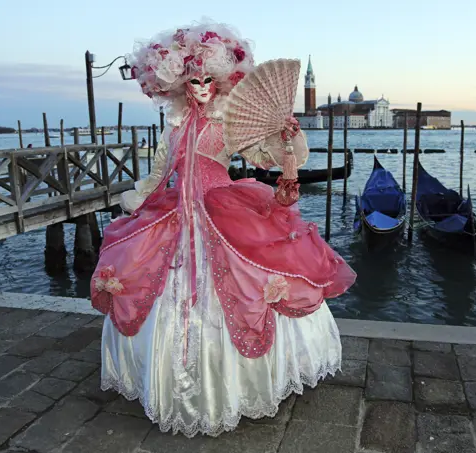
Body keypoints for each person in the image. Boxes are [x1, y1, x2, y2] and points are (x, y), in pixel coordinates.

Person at [90, 20, 356, 437]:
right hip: (175, 216)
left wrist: (288, 140)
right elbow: (159, 173)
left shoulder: (228, 126)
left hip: (223, 213)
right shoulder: (174, 130)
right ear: (178, 86)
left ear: (219, 82)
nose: (199, 87)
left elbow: (269, 156)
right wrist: (138, 204)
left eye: (206, 80)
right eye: (190, 81)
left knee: (249, 280)